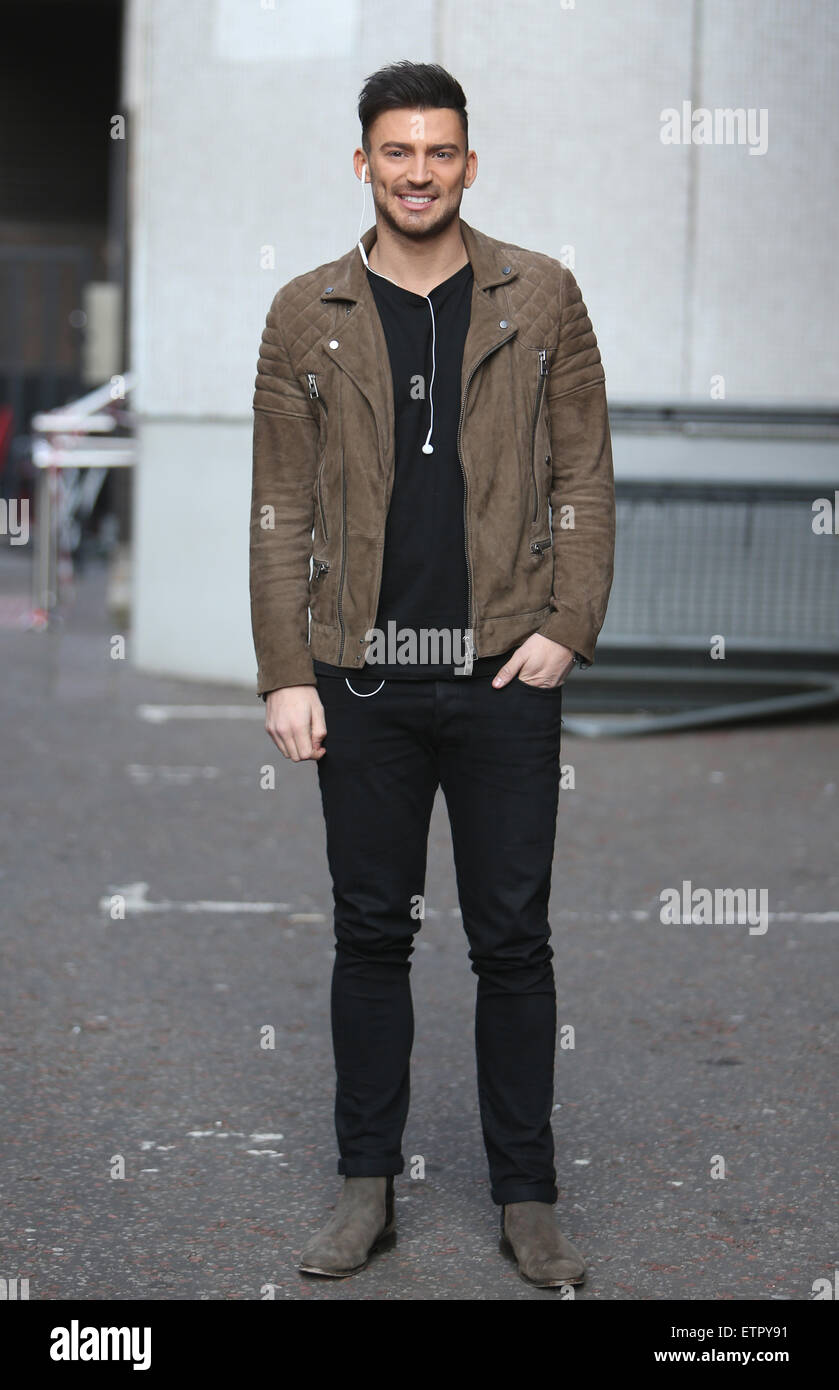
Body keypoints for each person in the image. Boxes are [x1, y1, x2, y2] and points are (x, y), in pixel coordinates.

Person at [249, 60, 615, 1288]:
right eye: (395, 152)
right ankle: (368, 1190)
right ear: (362, 162)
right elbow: (279, 505)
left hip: (505, 668)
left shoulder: (541, 296)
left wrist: (566, 622)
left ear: (469, 161)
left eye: (439, 152)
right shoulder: (308, 312)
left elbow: (584, 475)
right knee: (370, 932)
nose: (418, 172)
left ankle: (528, 1199)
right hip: (358, 674)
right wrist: (282, 672)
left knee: (512, 940)